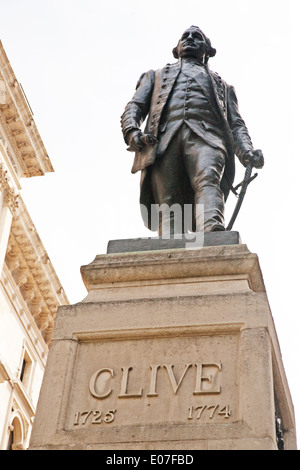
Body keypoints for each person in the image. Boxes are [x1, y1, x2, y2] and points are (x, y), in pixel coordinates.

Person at [121, 25, 264, 235]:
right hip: (163, 141)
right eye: (184, 37)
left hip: (208, 139)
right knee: (169, 200)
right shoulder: (155, 76)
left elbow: (236, 125)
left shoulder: (224, 87)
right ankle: (170, 242)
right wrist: (132, 130)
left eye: (196, 37)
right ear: (177, 48)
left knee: (208, 179)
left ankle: (212, 229)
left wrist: (246, 152)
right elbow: (135, 106)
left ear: (208, 50)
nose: (189, 39)